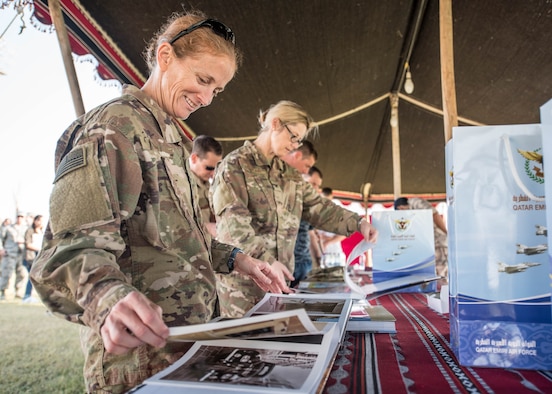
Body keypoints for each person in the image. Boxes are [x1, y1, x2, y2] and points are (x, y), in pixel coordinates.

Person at [30, 11, 289, 393]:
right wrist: (107, 297)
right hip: (136, 362)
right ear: (165, 57)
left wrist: (238, 259)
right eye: (203, 80)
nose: (205, 99)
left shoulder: (170, 138)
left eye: (216, 90)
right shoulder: (113, 128)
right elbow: (68, 247)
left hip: (182, 350)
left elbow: (176, 240)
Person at [211, 100, 378, 317]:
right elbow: (233, 230)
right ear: (276, 124)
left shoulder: (289, 174)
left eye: (299, 141)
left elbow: (319, 208)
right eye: (293, 137)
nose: (295, 145)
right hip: (243, 294)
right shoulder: (234, 166)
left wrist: (358, 223)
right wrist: (268, 261)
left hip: (280, 288)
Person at [282, 143, 319, 287]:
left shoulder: (303, 195)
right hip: (287, 262)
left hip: (304, 261)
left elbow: (310, 233)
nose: (305, 171)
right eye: (307, 166)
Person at [394, 197, 448, 285]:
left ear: (400, 208)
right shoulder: (410, 213)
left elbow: (434, 214)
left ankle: (443, 290)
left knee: (441, 268)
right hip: (429, 242)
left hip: (438, 239)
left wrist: (444, 232)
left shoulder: (415, 202)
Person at [188, 134, 223, 237]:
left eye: (216, 168)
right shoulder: (181, 184)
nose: (213, 173)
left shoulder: (209, 185)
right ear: (194, 158)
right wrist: (206, 227)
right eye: (209, 168)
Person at [0, 213, 28, 300]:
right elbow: (1, 239)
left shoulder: (26, 228)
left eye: (21, 217)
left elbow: (29, 239)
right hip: (9, 253)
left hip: (21, 254)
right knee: (6, 274)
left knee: (22, 273)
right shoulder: (8, 228)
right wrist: (1, 249)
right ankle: (3, 292)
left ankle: (18, 292)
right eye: (18, 216)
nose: (19, 218)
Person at [22, 214, 43, 302]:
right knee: (32, 277)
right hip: (30, 257)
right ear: (35, 221)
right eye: (39, 220)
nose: (41, 222)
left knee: (35, 278)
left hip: (38, 257)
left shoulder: (42, 231)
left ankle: (30, 295)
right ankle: (27, 296)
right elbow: (28, 244)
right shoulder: (30, 231)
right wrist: (39, 249)